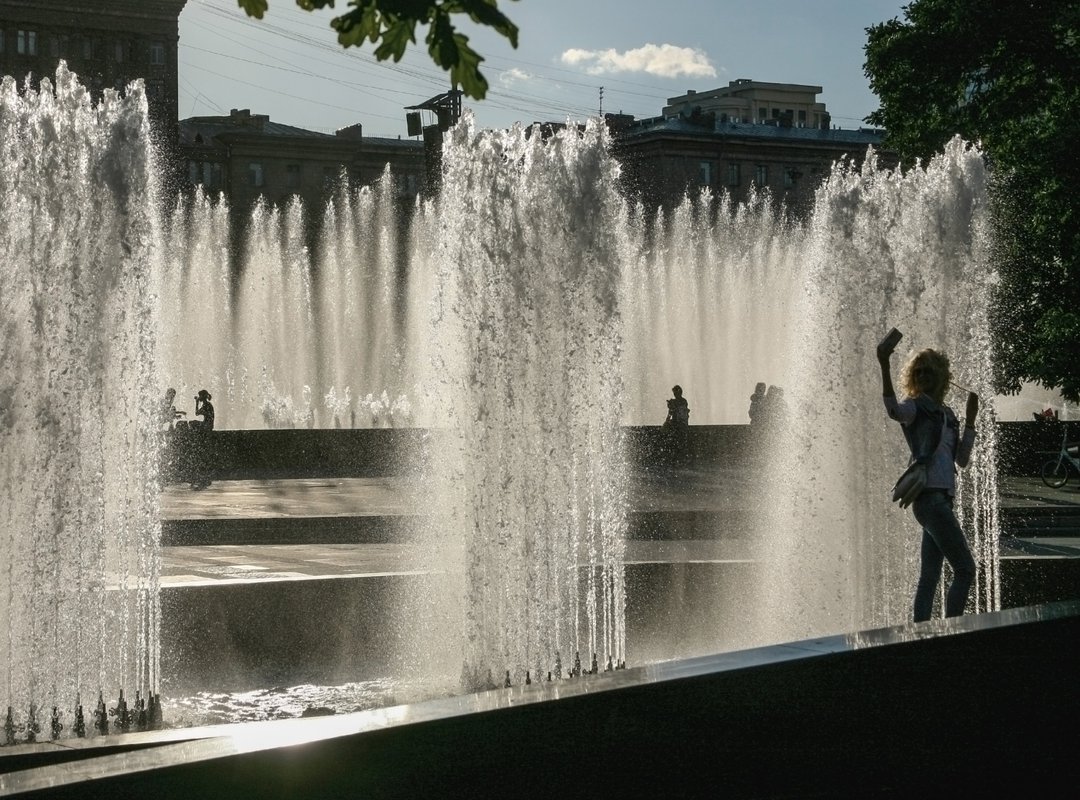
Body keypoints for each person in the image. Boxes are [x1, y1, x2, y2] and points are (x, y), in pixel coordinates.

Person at [877, 339, 979, 622]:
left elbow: (961, 459)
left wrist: (970, 420)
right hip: (929, 499)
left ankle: (919, 636)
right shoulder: (915, 407)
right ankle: (952, 632)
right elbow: (894, 411)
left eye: (928, 372)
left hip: (941, 499)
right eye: (918, 372)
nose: (922, 376)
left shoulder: (947, 414)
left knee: (930, 576)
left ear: (941, 376)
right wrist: (884, 364)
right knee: (965, 570)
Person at [663, 385, 690, 464]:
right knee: (681, 442)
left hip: (677, 425)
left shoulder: (674, 402)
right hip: (683, 425)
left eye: (675, 393)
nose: (674, 394)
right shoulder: (684, 401)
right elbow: (684, 413)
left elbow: (671, 412)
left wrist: (667, 421)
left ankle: (674, 458)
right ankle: (682, 458)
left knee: (674, 442)